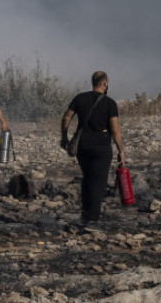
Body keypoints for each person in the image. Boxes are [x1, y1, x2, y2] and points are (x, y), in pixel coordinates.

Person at [60, 70, 125, 230]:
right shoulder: (110, 103)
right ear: (105, 83)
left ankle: (85, 214)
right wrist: (121, 150)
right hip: (101, 146)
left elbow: (66, 117)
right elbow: (115, 130)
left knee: (88, 179)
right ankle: (92, 220)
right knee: (98, 183)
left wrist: (64, 138)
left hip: (82, 146)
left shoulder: (80, 98)